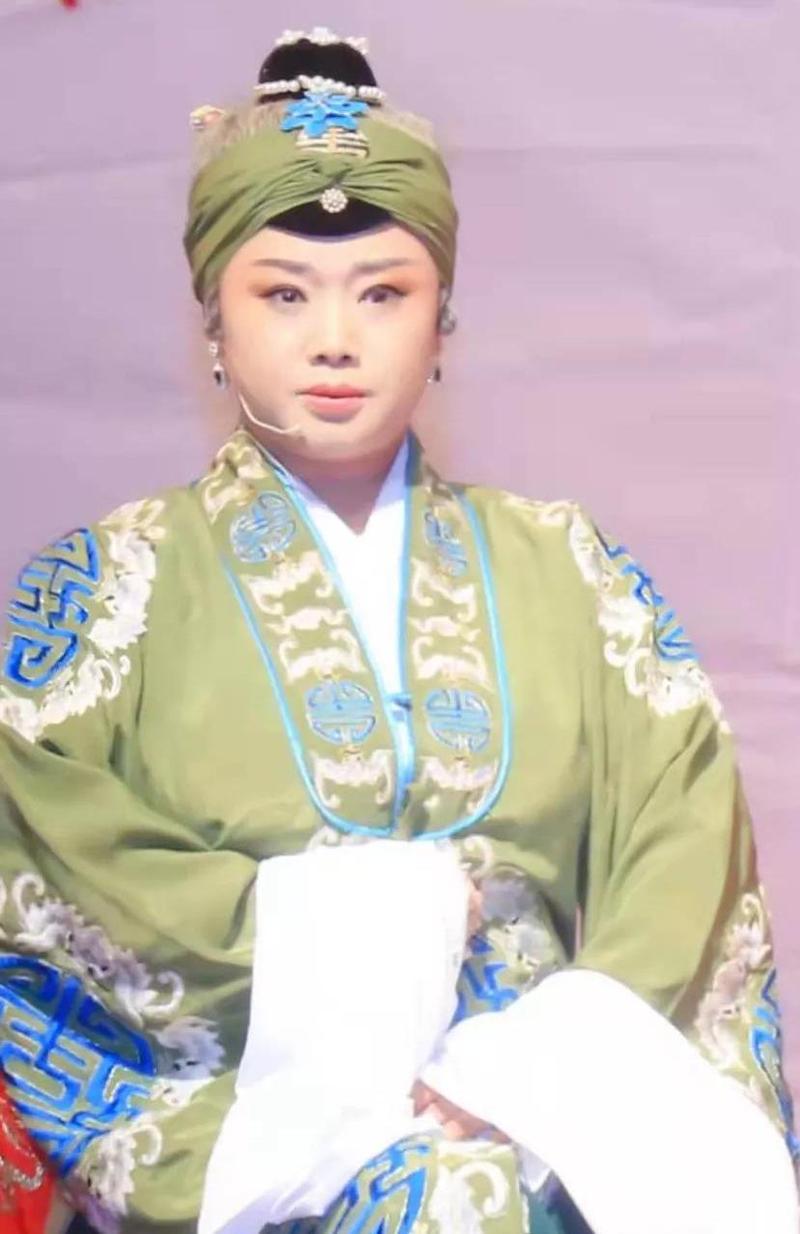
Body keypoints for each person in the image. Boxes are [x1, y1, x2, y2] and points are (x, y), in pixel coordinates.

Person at [0, 26, 796, 1234]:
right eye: (282, 293)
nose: (334, 337)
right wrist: (376, 932)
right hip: (255, 1125)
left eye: (383, 292)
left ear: (443, 320)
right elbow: (58, 870)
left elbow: (679, 851)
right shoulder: (102, 593)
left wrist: (536, 1070)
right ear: (211, 320)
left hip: (552, 1113)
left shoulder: (569, 568)